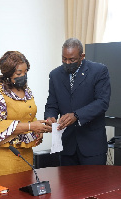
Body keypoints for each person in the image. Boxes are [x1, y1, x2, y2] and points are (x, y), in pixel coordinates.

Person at [44, 38, 111, 166]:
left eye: (72, 60)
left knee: (94, 185)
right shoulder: (55, 75)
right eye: (64, 59)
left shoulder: (99, 71)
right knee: (68, 185)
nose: (67, 62)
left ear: (82, 56)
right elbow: (52, 103)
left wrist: (76, 115)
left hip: (92, 146)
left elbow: (102, 102)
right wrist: (50, 117)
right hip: (67, 146)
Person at [0, 51, 52, 177]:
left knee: (26, 191)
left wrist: (39, 130)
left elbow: (30, 116)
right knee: (8, 193)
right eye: (19, 73)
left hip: (25, 150)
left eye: (25, 72)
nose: (23, 76)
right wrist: (31, 127)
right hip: (4, 151)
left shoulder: (26, 90)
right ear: (8, 73)